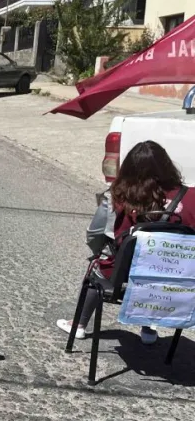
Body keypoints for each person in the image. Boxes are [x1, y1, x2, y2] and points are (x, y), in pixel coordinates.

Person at [57, 141, 195, 345]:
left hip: (120, 272)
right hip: (175, 276)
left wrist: (98, 253)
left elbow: (95, 233)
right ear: (168, 166)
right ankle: (148, 328)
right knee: (158, 265)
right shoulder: (191, 196)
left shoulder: (117, 194)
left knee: (98, 267)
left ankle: (78, 325)